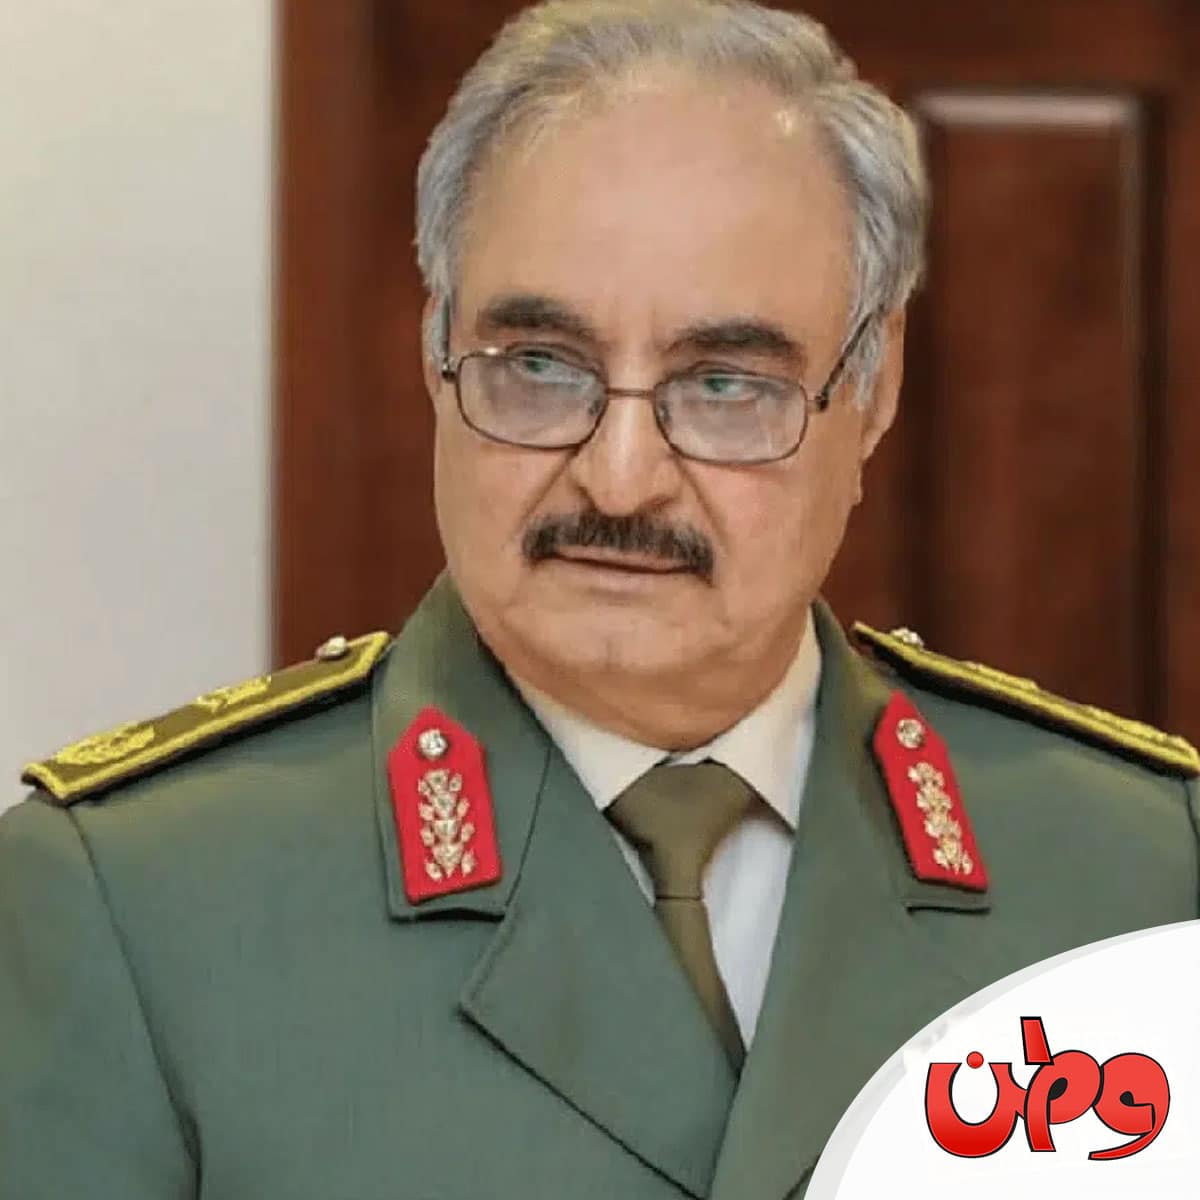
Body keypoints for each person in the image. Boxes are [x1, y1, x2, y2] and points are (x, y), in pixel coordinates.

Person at [2, 1, 1197, 1196]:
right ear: (436, 353)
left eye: (725, 384)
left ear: (872, 394)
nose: (620, 478)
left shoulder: (1135, 873)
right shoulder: (135, 903)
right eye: (540, 367)